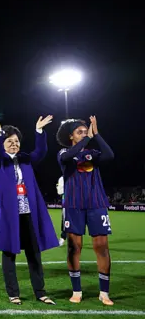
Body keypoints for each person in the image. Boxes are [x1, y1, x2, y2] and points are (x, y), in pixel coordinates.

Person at [0, 116, 58, 305]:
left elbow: (41, 151)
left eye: (16, 141)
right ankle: (13, 293)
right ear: (3, 143)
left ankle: (40, 292)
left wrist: (39, 132)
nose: (14, 144)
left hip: (29, 212)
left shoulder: (25, 159)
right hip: (10, 214)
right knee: (9, 253)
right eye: (10, 141)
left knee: (34, 253)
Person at [57, 116, 115, 306]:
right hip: (73, 204)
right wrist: (86, 138)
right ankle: (77, 291)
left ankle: (104, 293)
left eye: (85, 131)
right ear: (71, 136)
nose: (83, 134)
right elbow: (67, 157)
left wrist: (96, 134)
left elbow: (110, 156)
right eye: (79, 132)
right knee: (75, 247)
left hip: (96, 203)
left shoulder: (93, 153)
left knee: (101, 247)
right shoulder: (65, 152)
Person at [57, 177, 66, 247]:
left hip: (67, 203)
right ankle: (63, 238)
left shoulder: (62, 178)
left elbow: (59, 192)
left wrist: (59, 187)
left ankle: (62, 238)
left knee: (66, 221)